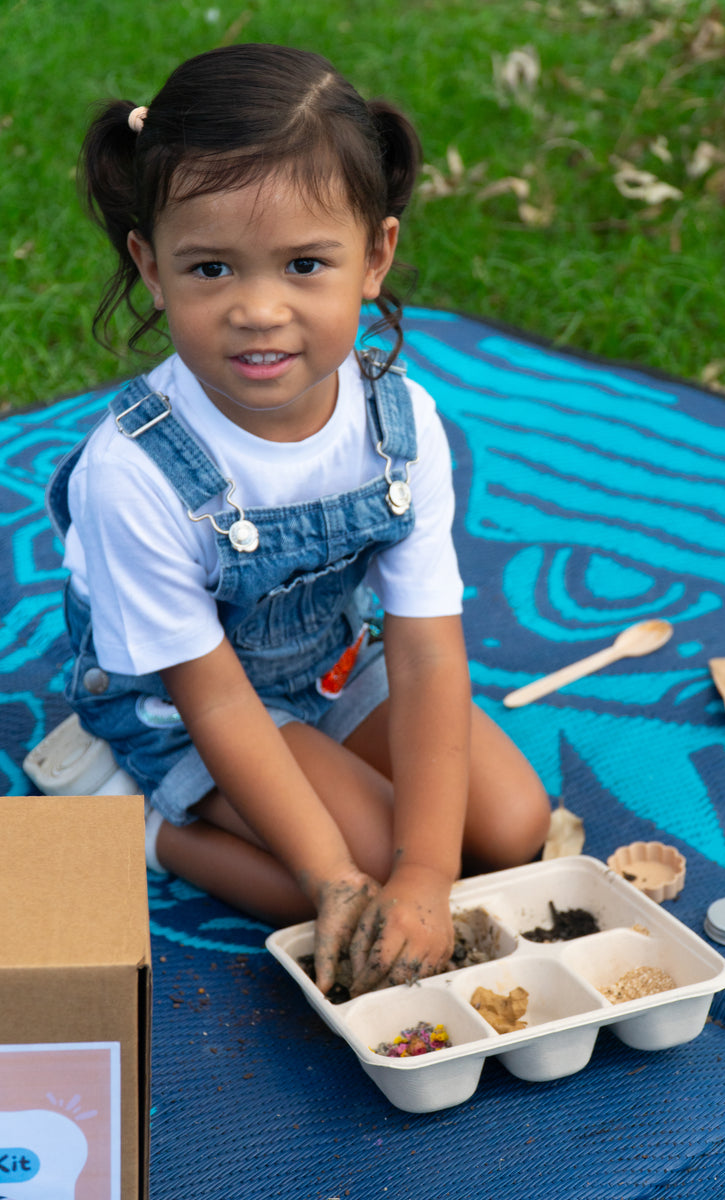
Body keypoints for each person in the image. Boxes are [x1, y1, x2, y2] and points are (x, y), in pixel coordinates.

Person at [49, 43, 550, 997]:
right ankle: (138, 817)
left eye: (305, 263)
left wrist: (429, 874)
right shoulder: (133, 473)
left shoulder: (401, 427)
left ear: (376, 258)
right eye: (211, 268)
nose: (259, 308)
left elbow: (428, 653)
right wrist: (345, 881)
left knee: (510, 824)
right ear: (150, 270)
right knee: (347, 877)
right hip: (182, 703)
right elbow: (216, 698)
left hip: (329, 664)